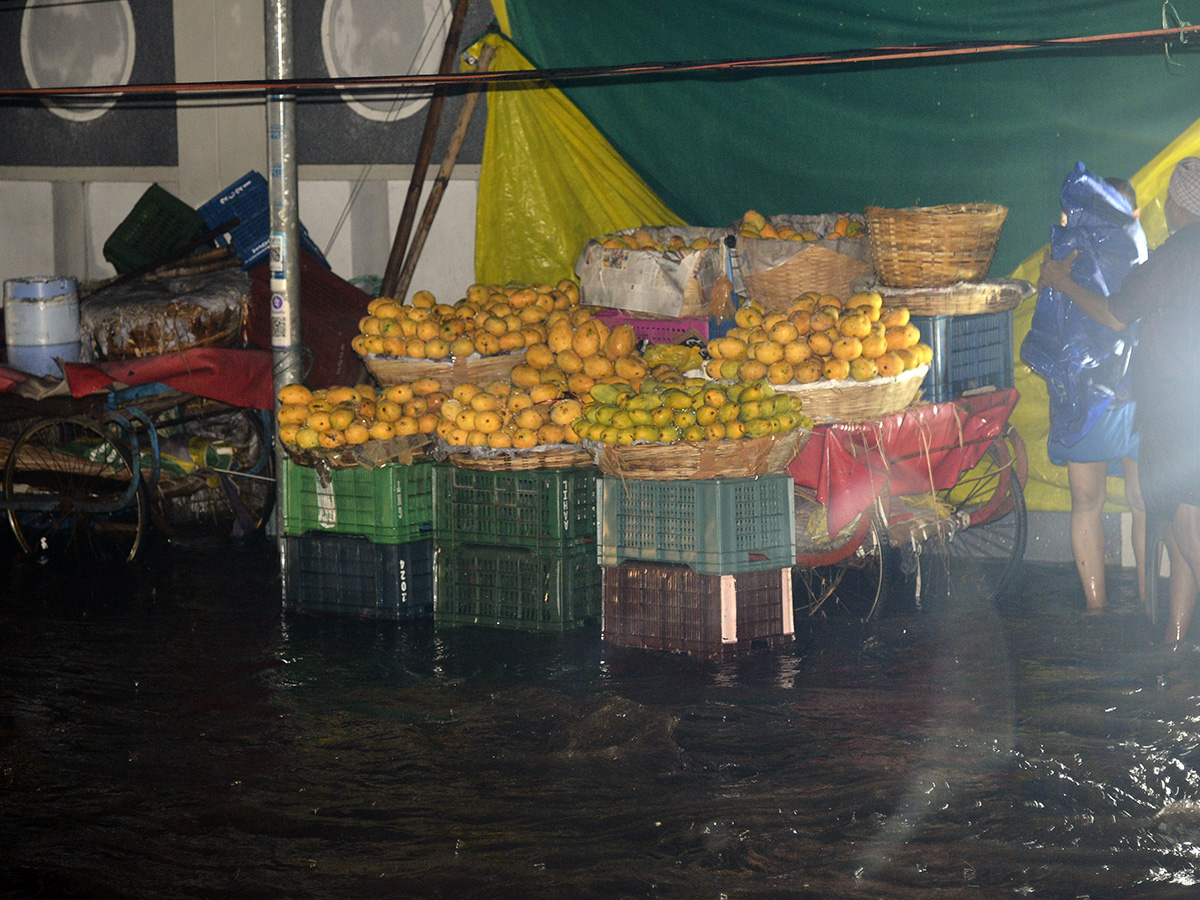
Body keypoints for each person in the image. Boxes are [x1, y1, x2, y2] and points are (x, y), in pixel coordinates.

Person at [1039, 157, 1200, 643]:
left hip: (1175, 414)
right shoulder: (1165, 254)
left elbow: (1114, 315)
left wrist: (1062, 282)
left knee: (1183, 533)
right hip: (1175, 408)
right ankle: (1173, 640)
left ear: (1176, 203)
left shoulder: (1174, 256)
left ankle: (1146, 627)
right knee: (1170, 525)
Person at [1022, 164, 1148, 614]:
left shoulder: (1084, 255)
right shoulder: (1144, 254)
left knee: (1095, 503)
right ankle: (1143, 606)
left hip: (1093, 395)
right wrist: (1053, 279)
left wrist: (1057, 281)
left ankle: (1099, 609)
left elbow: (1108, 316)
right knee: (1139, 502)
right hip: (1127, 391)